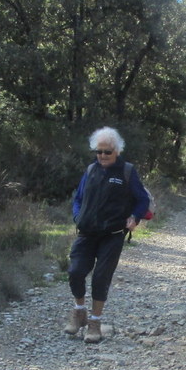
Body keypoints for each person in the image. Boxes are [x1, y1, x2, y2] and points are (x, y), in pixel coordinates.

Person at [64, 127, 152, 343]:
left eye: (107, 152)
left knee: (101, 277)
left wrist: (135, 217)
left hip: (112, 234)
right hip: (86, 232)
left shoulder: (127, 172)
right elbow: (78, 198)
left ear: (117, 151)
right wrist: (77, 217)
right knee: (76, 271)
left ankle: (95, 322)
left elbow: (142, 200)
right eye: (99, 151)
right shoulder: (91, 170)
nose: (102, 156)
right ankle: (79, 311)